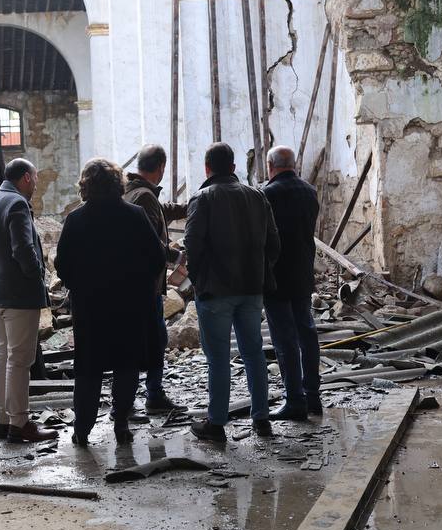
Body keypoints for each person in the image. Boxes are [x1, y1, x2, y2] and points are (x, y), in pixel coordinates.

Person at [56, 159, 165, 445]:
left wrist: (79, 286)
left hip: (90, 308)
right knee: (126, 366)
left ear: (86, 185)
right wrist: (139, 287)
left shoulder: (76, 219)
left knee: (88, 369)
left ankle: (83, 428)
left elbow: (62, 266)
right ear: (118, 184)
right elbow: (156, 259)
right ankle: (121, 424)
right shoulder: (136, 215)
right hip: (129, 307)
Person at [183, 142, 281, 441]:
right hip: (251, 289)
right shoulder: (257, 196)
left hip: (215, 291)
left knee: (218, 359)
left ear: (207, 168)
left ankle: (216, 424)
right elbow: (273, 243)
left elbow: (192, 244)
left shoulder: (203, 198)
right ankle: (261, 419)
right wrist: (259, 273)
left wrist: (199, 281)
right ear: (234, 167)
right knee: (254, 354)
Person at [0, 158, 56, 443]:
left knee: (2, 357)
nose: (35, 184)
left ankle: (3, 419)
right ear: (25, 177)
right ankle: (20, 423)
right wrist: (37, 277)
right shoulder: (17, 204)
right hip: (19, 295)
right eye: (35, 178)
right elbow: (23, 248)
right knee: (20, 360)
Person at [122, 144, 189, 412]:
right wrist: (177, 258)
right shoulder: (144, 198)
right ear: (161, 168)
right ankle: (152, 396)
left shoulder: (132, 191)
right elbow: (148, 243)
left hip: (132, 284)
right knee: (155, 340)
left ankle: (133, 398)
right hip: (144, 286)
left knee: (140, 340)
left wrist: (188, 207)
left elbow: (163, 210)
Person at [261, 146, 323, 420]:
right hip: (302, 272)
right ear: (293, 164)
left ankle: (294, 400)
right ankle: (313, 396)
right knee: (307, 333)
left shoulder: (266, 195)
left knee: (284, 338)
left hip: (276, 276)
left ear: (270, 165)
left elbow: (264, 237)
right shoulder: (310, 191)